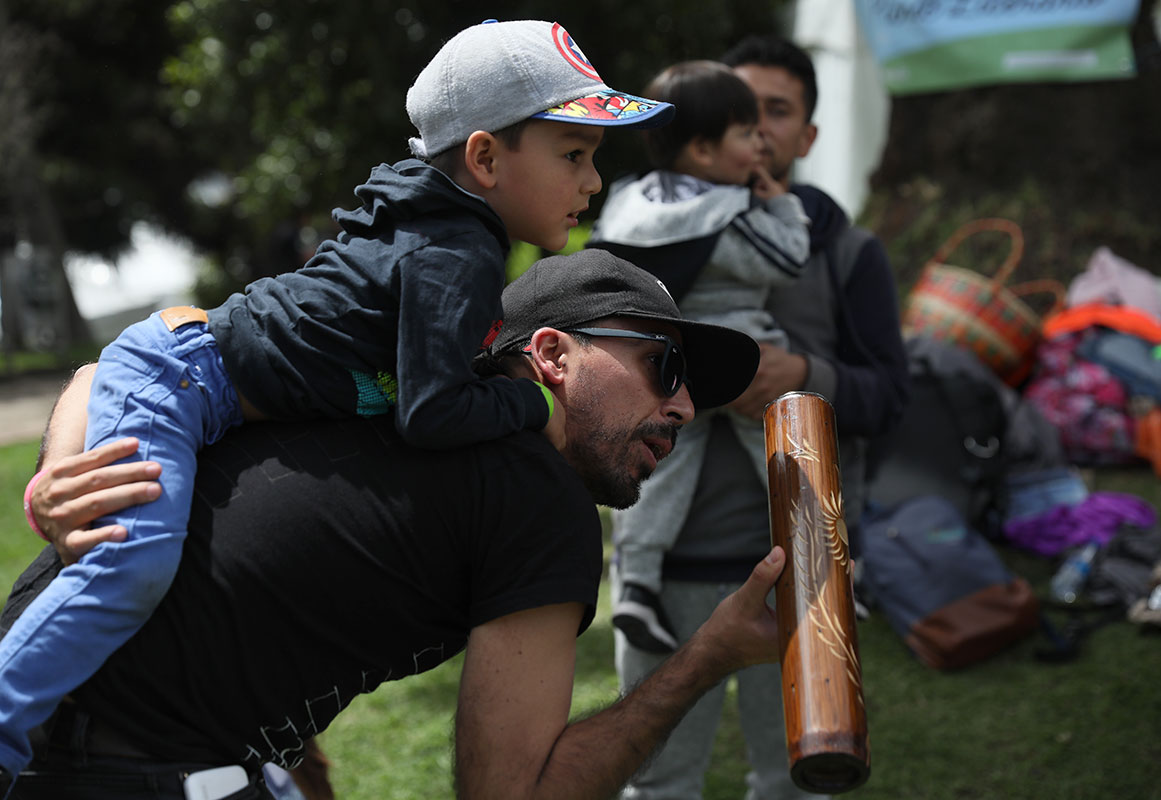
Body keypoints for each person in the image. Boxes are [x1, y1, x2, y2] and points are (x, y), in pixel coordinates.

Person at [0, 18, 676, 782]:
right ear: (485, 157)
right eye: (574, 155)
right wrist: (534, 410)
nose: (592, 181)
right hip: (180, 387)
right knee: (131, 568)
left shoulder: (433, 238)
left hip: (180, 384)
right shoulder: (456, 255)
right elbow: (429, 412)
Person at [1, 250, 778, 800]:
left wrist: (57, 471)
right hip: (126, 769)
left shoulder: (379, 388)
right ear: (551, 355)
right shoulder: (538, 493)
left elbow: (111, 372)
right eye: (664, 369)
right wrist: (707, 656)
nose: (681, 409)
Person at [604, 35, 910, 799]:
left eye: (776, 112)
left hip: (801, 574)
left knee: (800, 774)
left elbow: (891, 398)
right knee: (658, 779)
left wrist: (801, 374)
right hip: (668, 573)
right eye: (741, 110)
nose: (759, 129)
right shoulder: (652, 224)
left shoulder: (844, 250)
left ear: (808, 135)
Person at [587, 59, 811, 652]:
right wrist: (780, 204)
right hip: (741, 361)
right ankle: (820, 567)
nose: (759, 142)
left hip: (664, 365)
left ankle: (635, 584)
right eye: (746, 133)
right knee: (784, 459)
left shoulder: (631, 201)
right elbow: (786, 261)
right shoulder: (728, 213)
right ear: (706, 152)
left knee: (658, 473)